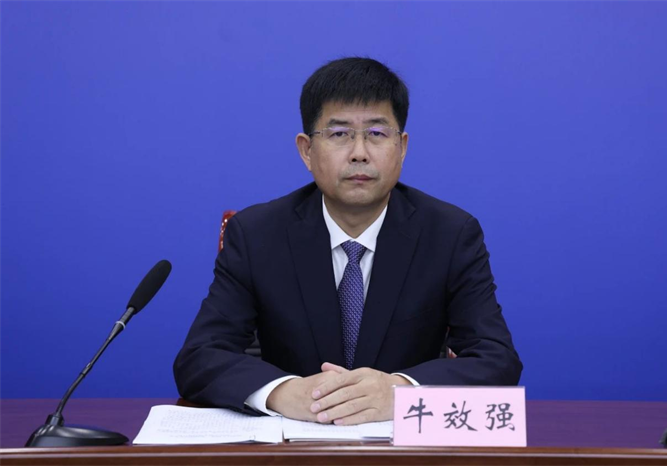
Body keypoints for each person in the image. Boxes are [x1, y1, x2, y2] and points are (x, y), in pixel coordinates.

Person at [174, 57, 522, 426]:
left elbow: (496, 358)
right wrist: (282, 392)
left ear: (402, 146)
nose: (359, 152)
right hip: (292, 443)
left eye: (377, 133)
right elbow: (200, 356)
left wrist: (399, 391)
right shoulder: (257, 234)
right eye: (339, 134)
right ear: (307, 150)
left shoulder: (449, 234)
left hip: (403, 446)